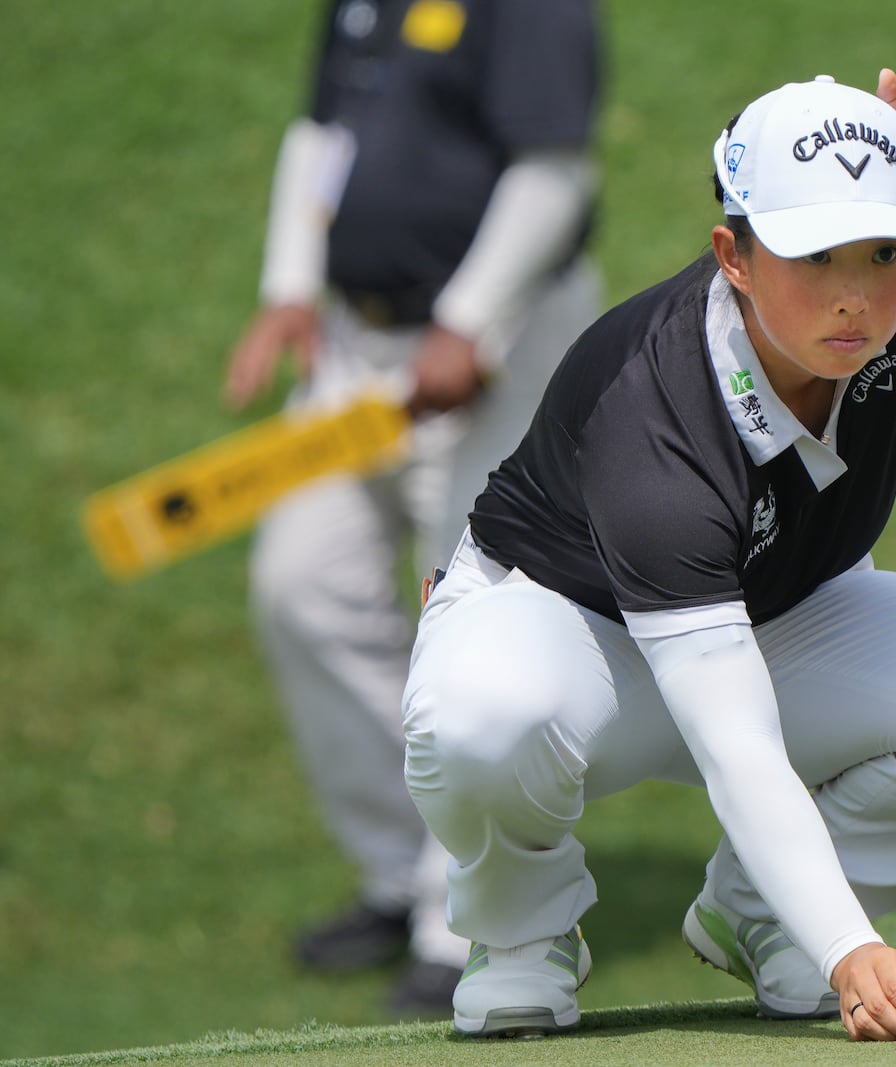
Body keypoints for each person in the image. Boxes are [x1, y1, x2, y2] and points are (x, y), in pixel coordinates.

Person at [402, 37, 896, 1041]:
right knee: (481, 716)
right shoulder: (654, 403)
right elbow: (734, 741)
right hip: (566, 642)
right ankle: (521, 937)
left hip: (776, 620)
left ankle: (758, 910)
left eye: (882, 250)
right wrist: (850, 945)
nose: (853, 293)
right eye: (812, 255)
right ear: (733, 257)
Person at [222, 0, 603, 1015]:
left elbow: (556, 172)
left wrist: (468, 322)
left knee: (468, 627)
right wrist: (291, 282)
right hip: (355, 349)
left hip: (500, 349)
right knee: (301, 584)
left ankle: (473, 918)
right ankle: (402, 870)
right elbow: (324, 132)